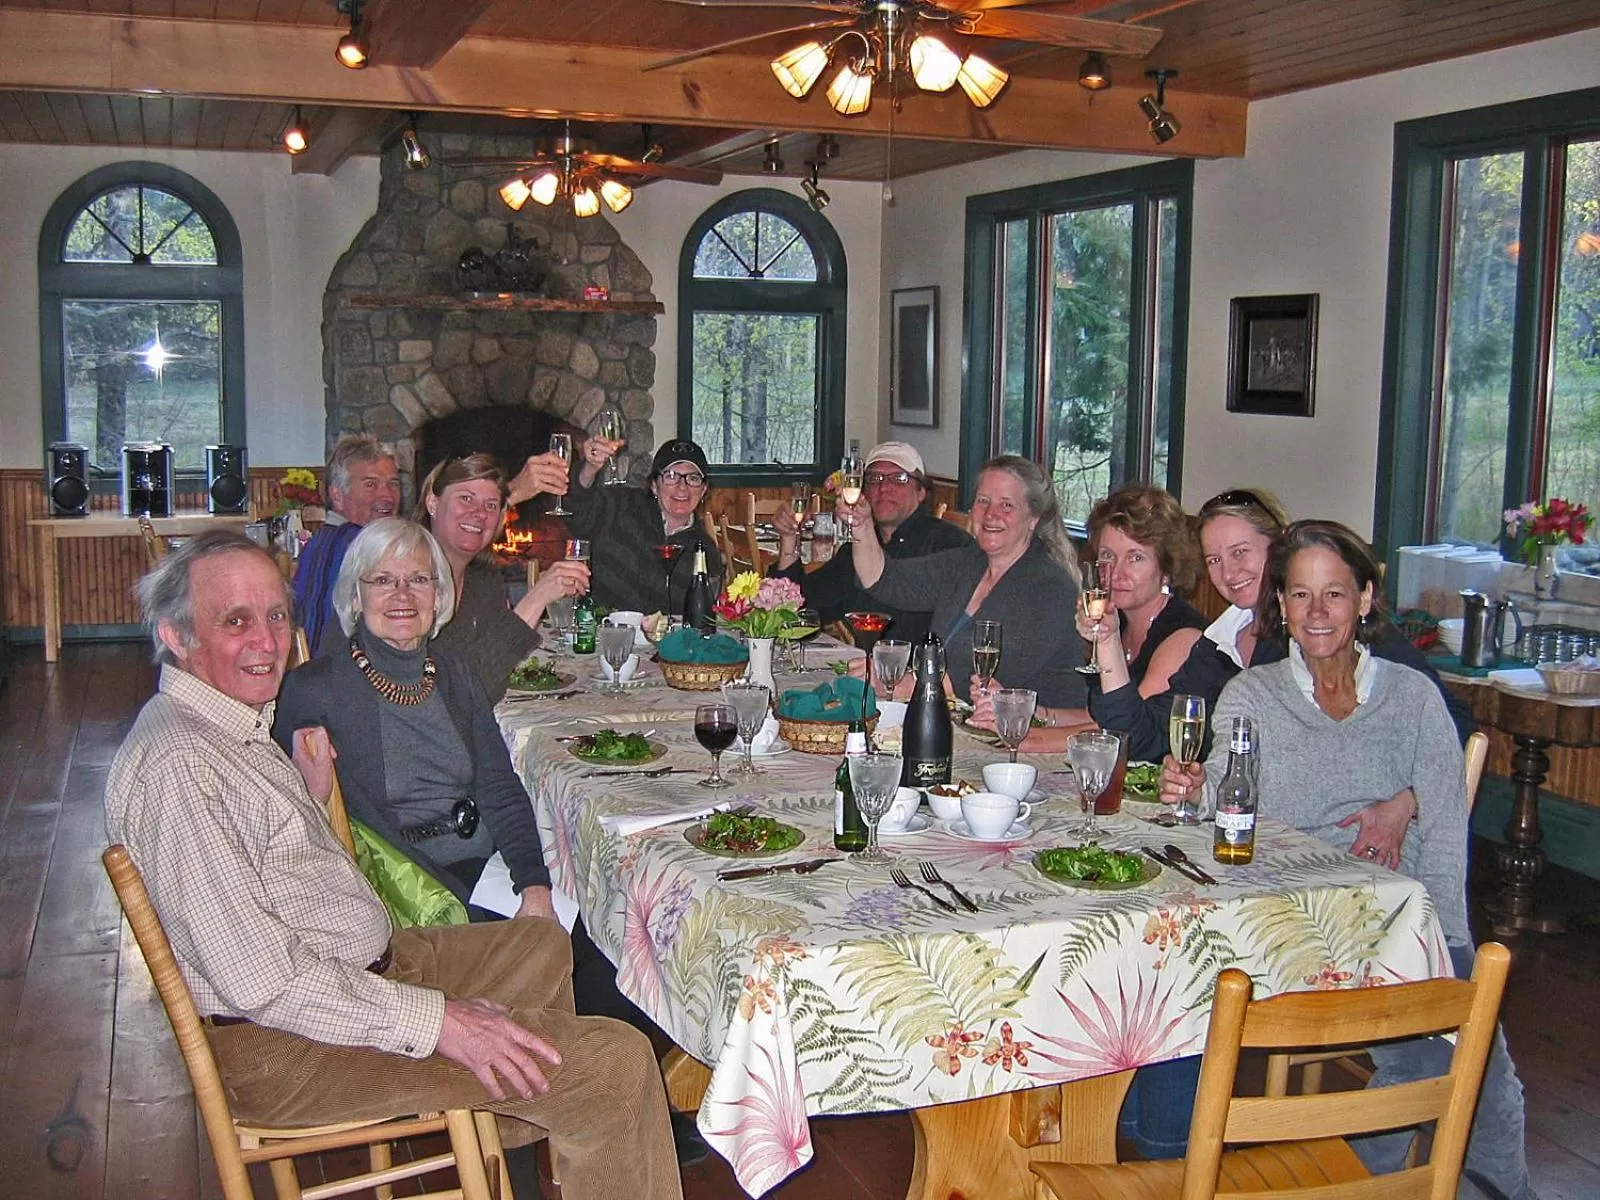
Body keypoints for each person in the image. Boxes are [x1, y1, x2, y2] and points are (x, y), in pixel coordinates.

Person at [104, 530, 681, 1200]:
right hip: (285, 1044)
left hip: (353, 971)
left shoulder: (231, 726)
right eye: (234, 621)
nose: (266, 641)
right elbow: (267, 984)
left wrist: (311, 801)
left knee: (540, 943)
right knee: (616, 1065)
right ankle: (569, 1104)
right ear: (176, 636)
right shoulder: (182, 769)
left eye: (276, 616)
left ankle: (514, 1162)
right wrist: (441, 1022)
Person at [1151, 520, 1534, 1200]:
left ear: (1364, 599)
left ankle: (1471, 1187)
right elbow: (1222, 801)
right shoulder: (1253, 696)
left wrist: (1448, 944)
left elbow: (1445, 830)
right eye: (1301, 596)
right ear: (1283, 608)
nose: (1317, 613)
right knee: (1443, 1054)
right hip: (1287, 924)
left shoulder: (1412, 700)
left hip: (1396, 920)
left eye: (1334, 594)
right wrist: (1193, 790)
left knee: (1473, 1054)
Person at [1092, 488, 1474, 787]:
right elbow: (1147, 737)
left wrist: (1405, 800)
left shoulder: (1328, 628)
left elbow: (1449, 719)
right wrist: (1107, 641)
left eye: (1241, 552)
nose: (1229, 571)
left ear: (1279, 548)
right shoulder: (1221, 640)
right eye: (1214, 560)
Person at [273, 519, 552, 913]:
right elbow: (294, 827)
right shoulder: (315, 691)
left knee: (590, 944)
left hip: (481, 869)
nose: (402, 595)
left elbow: (499, 789)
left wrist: (534, 886)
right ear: (355, 597)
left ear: (439, 597)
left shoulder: (455, 674)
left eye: (419, 580)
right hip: (399, 889)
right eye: (383, 580)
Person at [844, 454, 1091, 710]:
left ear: (1033, 519)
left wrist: (897, 682)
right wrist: (861, 524)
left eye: (1006, 505)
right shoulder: (968, 563)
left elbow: (983, 674)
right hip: (960, 713)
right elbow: (884, 579)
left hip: (1031, 734)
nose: (991, 514)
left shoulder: (1048, 588)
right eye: (983, 501)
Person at [970, 485, 1205, 742]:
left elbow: (1123, 728)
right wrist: (1022, 710)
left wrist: (1024, 738)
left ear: (1168, 567)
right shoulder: (1116, 622)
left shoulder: (1183, 638)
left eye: (1135, 558)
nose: (1115, 572)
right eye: (1107, 556)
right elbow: (1097, 716)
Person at [416, 454, 589, 704]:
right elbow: (463, 695)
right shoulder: (410, 580)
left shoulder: (483, 582)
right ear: (433, 502)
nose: (478, 514)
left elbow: (491, 682)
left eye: (491, 506)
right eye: (466, 498)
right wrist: (537, 598)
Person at [768, 441, 973, 645]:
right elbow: (796, 615)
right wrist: (789, 539)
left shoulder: (949, 545)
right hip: (865, 669)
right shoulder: (854, 552)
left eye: (899, 479)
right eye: (874, 478)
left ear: (921, 492)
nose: (884, 487)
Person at [562, 437, 723, 615]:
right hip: (603, 630)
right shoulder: (621, 505)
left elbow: (702, 616)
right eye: (671, 476)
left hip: (664, 640)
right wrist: (588, 469)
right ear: (654, 485)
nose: (682, 487)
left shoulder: (704, 550)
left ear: (703, 489)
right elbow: (575, 509)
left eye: (693, 478)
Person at [293, 434, 402, 655]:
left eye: (393, 484)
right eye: (371, 484)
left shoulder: (319, 541)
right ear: (337, 495)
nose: (387, 495)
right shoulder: (366, 550)